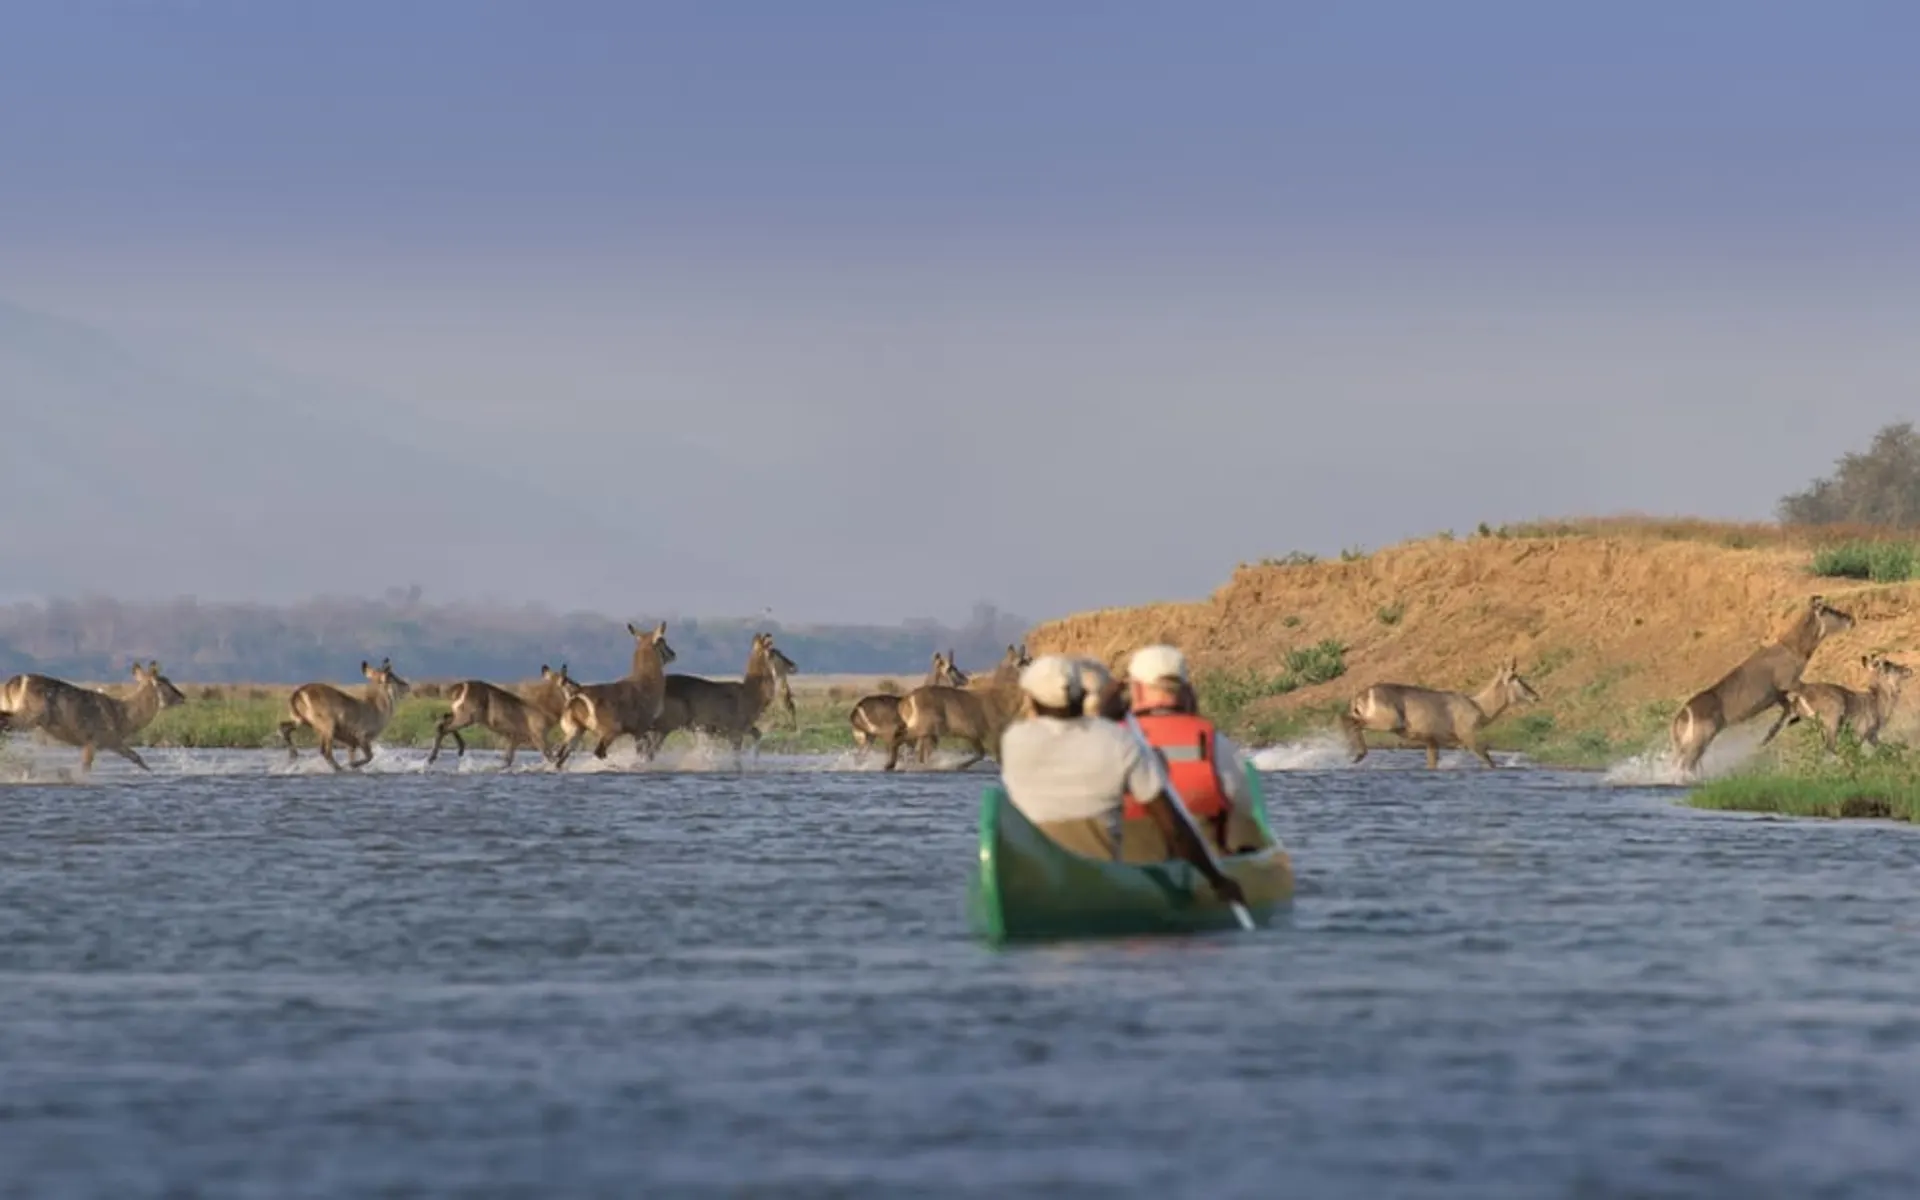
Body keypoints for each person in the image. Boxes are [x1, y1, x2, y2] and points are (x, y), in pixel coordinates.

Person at [998, 655, 1246, 907]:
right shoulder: (1120, 742)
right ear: (1080, 696)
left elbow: (1071, 740)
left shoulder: (1014, 741)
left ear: (1030, 701)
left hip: (1040, 878)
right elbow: (1174, 829)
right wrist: (1217, 880)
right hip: (1102, 882)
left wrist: (1105, 714)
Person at [1119, 643, 1267, 861]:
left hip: (1130, 864)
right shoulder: (1216, 742)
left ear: (1137, 689)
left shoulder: (1113, 740)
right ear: (1186, 689)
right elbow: (1244, 805)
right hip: (1202, 864)